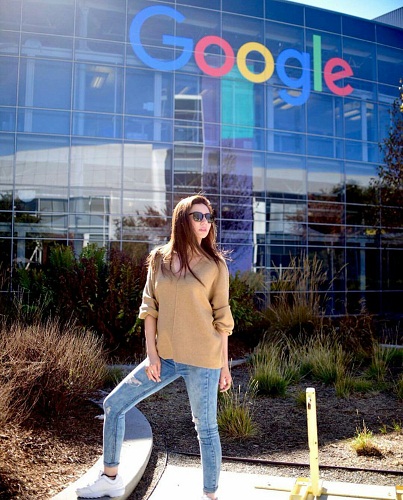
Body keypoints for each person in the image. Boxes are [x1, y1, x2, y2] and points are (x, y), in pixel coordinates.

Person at [76, 194, 234, 500]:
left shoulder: (215, 265)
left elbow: (222, 319)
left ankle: (210, 494)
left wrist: (224, 366)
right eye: (197, 216)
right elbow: (149, 308)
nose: (205, 223)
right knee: (113, 404)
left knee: (206, 428)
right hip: (165, 358)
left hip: (204, 359)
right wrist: (152, 354)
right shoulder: (160, 259)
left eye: (208, 217)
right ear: (182, 220)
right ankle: (110, 478)